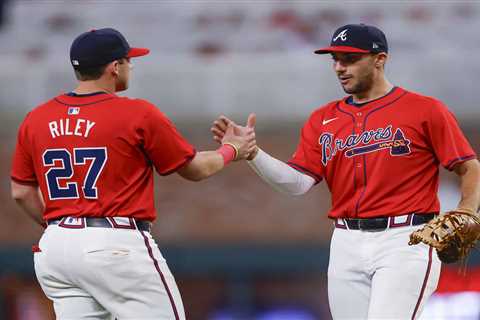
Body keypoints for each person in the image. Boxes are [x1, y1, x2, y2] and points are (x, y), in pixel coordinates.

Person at [212, 23, 480, 319]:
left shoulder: (425, 110)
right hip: (345, 241)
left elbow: (469, 167)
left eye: (350, 59)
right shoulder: (323, 118)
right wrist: (253, 154)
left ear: (380, 59)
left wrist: (467, 209)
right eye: (336, 59)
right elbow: (299, 183)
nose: (340, 67)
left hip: (405, 238)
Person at [10, 28, 255, 320]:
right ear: (114, 67)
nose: (132, 66)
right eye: (128, 60)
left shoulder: (36, 117)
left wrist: (63, 229)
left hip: (56, 248)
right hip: (114, 242)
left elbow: (21, 191)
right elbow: (195, 169)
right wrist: (231, 150)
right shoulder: (136, 113)